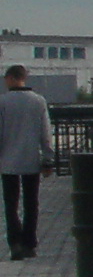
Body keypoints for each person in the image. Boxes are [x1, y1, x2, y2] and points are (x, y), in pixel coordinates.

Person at [1, 65, 49, 261]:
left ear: (12, 78)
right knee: (31, 203)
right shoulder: (39, 101)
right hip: (31, 160)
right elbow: (45, 133)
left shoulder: (3, 102)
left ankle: (15, 243)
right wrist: (48, 159)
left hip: (7, 161)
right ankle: (30, 243)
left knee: (10, 204)